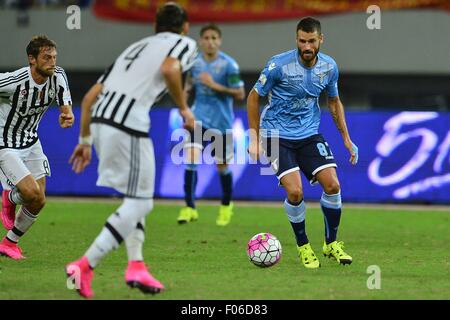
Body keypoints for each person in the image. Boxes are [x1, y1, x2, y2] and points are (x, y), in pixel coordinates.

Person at [66, 2, 197, 298]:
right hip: (128, 125)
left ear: (154, 26)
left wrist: (85, 141)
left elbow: (88, 98)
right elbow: (169, 67)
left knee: (133, 198)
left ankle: (136, 265)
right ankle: (85, 265)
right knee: (142, 203)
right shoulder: (184, 43)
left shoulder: (134, 48)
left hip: (100, 121)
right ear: (185, 27)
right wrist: (184, 109)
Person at [247, 17, 359, 269]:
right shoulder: (278, 65)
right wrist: (254, 138)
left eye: (311, 41)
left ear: (320, 40)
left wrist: (346, 139)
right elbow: (253, 98)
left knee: (332, 185)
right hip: (276, 135)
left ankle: (331, 244)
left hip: (309, 135)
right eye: (301, 41)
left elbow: (333, 102)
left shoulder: (329, 67)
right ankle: (304, 246)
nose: (306, 46)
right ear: (296, 40)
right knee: (296, 192)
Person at [0, 35, 74, 259]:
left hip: (31, 142)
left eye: (54, 57)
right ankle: (10, 198)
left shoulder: (57, 75)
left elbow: (65, 106)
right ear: (31, 59)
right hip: (5, 143)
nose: (52, 62)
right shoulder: (14, 81)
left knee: (39, 199)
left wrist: (67, 115)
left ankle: (9, 243)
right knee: (30, 192)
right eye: (46, 57)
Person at [177, 23, 245, 226]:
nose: (210, 42)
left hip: (221, 123)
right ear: (201, 41)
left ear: (219, 41)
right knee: (191, 158)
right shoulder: (194, 64)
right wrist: (184, 110)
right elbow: (187, 88)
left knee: (222, 166)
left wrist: (214, 85)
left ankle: (226, 206)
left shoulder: (229, 65)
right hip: (198, 119)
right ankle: (189, 207)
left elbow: (240, 94)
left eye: (214, 38)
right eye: (206, 38)